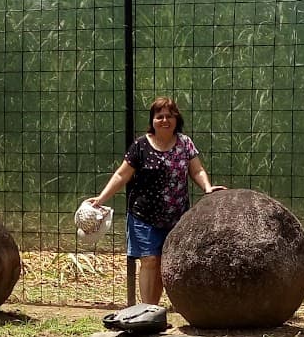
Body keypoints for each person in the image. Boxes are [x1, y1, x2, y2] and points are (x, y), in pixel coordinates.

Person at [89, 96, 223, 304]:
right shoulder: (140, 146)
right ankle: (147, 309)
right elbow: (121, 175)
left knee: (163, 263)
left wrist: (207, 188)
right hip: (144, 216)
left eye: (169, 116)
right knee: (150, 260)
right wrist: (101, 198)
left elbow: (196, 170)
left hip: (177, 218)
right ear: (152, 120)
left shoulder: (185, 143)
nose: (164, 120)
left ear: (177, 120)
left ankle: (154, 308)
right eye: (159, 116)